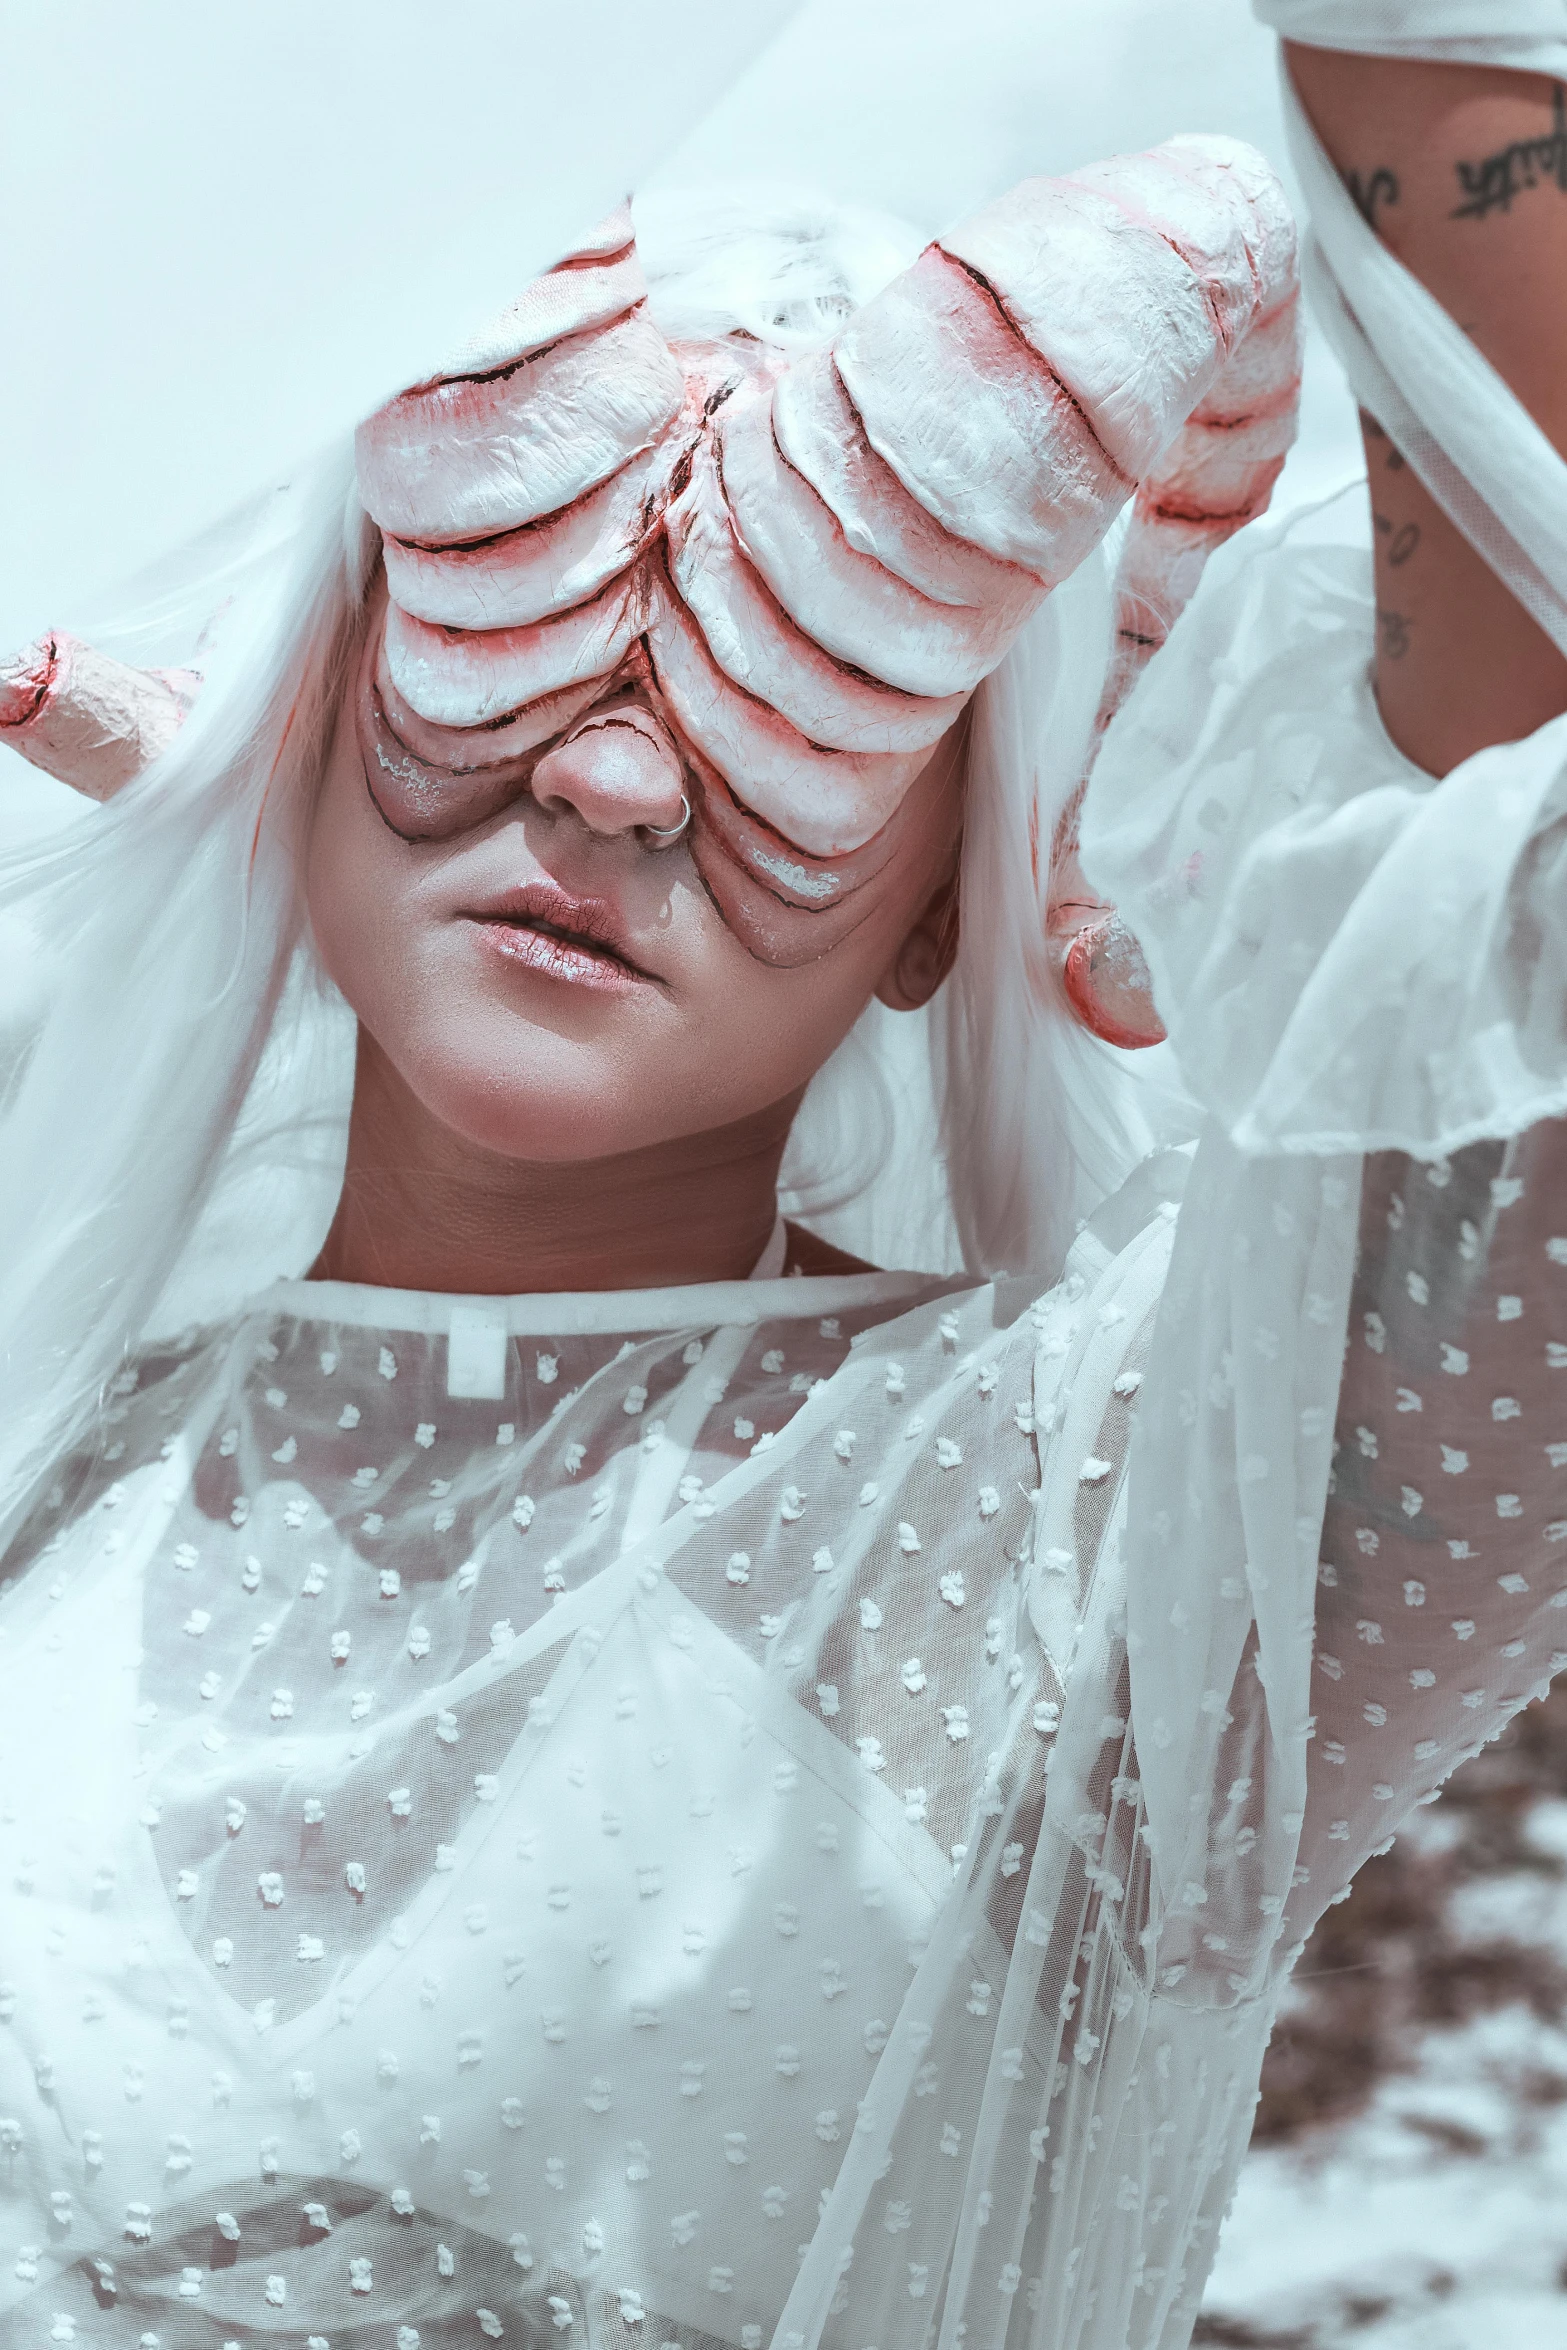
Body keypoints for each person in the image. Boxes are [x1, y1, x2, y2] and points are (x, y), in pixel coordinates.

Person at [0, 9, 1565, 2346]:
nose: (624, 775)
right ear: (316, 692)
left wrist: (1406, 50)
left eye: (813, 673)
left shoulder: (1108, 1519)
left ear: (960, 892)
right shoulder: (48, 1468)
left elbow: (1508, 921)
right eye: (507, 607)